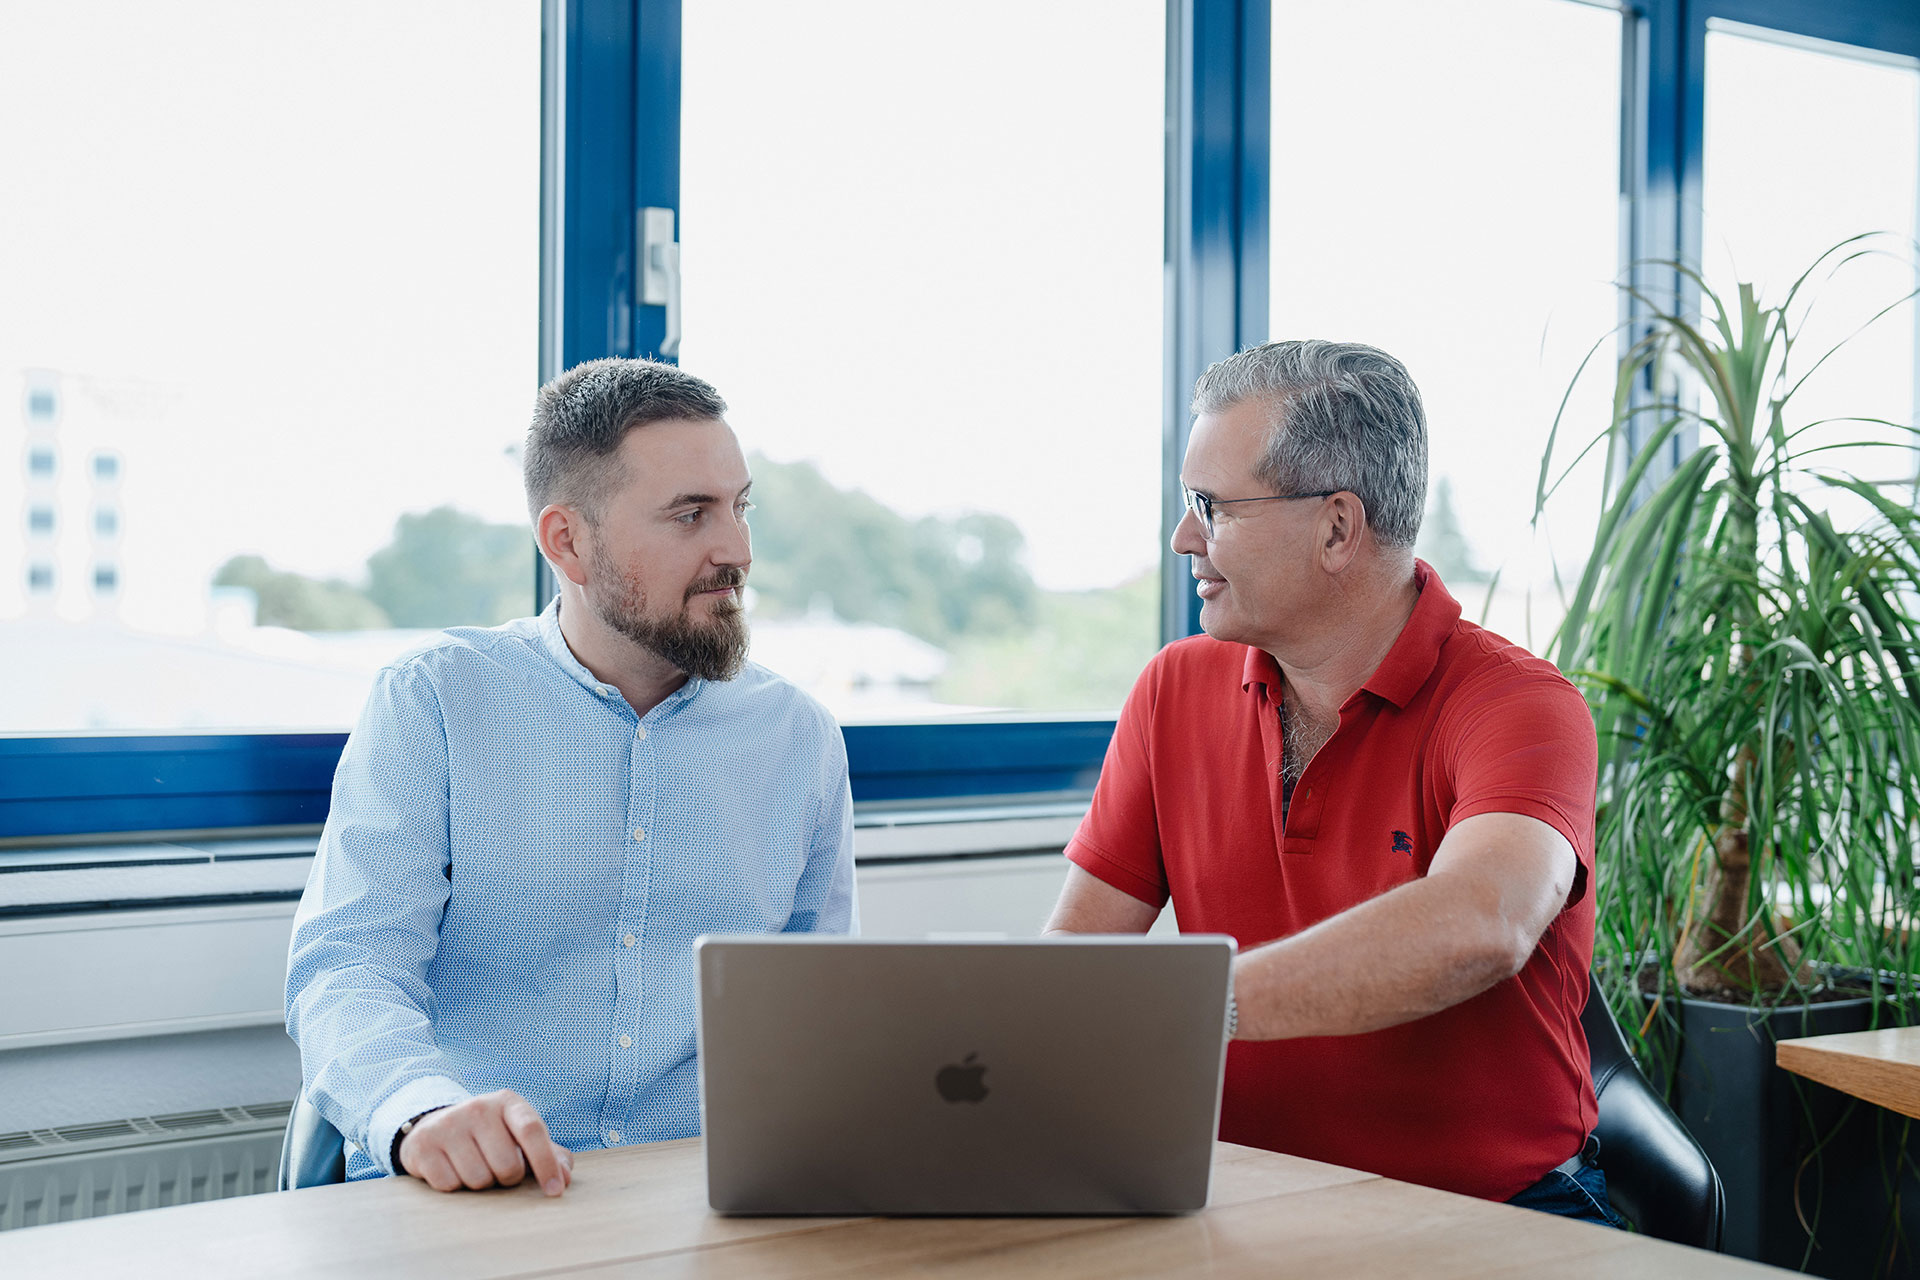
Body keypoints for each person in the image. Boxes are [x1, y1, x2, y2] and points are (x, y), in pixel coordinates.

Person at [1044, 339, 1617, 1226]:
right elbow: (1073, 971)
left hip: (1495, 1216)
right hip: (1237, 1205)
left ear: (1338, 528)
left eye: (1214, 506)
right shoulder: (1173, 690)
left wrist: (1194, 1007)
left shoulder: (1520, 707)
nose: (1183, 537)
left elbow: (1483, 922)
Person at [286, 358, 856, 1195]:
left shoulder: (798, 737)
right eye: (690, 514)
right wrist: (419, 1110)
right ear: (567, 541)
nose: (735, 550)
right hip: (472, 1201)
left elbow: (822, 1007)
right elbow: (347, 966)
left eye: (739, 507)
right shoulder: (437, 699)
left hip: (703, 1203)